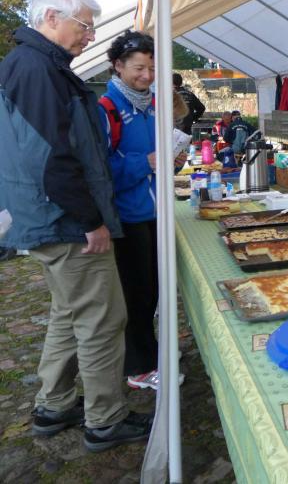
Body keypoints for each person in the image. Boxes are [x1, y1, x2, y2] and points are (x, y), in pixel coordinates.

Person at [0, 0, 152, 452]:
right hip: (64, 220)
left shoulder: (35, 65)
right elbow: (51, 157)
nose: (90, 36)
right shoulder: (37, 69)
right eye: (84, 26)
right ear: (51, 18)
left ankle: (54, 404)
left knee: (69, 313)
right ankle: (105, 418)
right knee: (103, 320)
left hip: (48, 217)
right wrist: (91, 220)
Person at [98, 30, 185, 391]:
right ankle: (138, 367)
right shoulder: (106, 108)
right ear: (118, 66)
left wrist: (174, 161)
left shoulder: (152, 106)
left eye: (152, 68)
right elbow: (98, 170)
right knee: (136, 294)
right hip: (127, 215)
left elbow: (159, 159)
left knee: (154, 289)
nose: (147, 76)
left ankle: (152, 353)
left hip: (155, 211)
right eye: (139, 68)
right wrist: (145, 162)